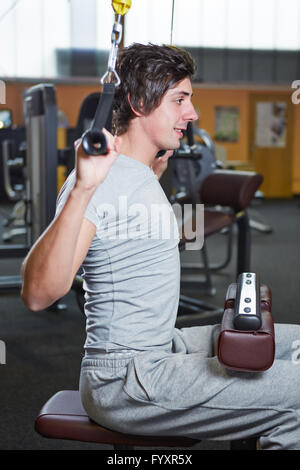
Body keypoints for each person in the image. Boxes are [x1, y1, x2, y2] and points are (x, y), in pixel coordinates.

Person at [21, 43, 300, 450]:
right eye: (180, 100)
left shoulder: (139, 171)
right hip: (125, 378)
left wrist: (150, 174)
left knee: (291, 346)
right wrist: (84, 188)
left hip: (164, 346)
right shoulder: (100, 179)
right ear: (137, 103)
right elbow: (37, 293)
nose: (192, 113)